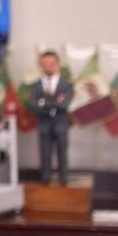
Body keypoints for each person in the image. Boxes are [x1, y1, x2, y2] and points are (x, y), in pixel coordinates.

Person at [28, 50, 71, 185]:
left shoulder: (66, 85)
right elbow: (33, 105)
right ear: (41, 66)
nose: (48, 67)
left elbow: (64, 105)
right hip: (44, 124)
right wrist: (54, 102)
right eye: (45, 64)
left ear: (58, 65)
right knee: (45, 154)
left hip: (61, 124)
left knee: (62, 153)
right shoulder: (35, 86)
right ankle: (45, 179)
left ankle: (64, 179)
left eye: (51, 64)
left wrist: (44, 103)